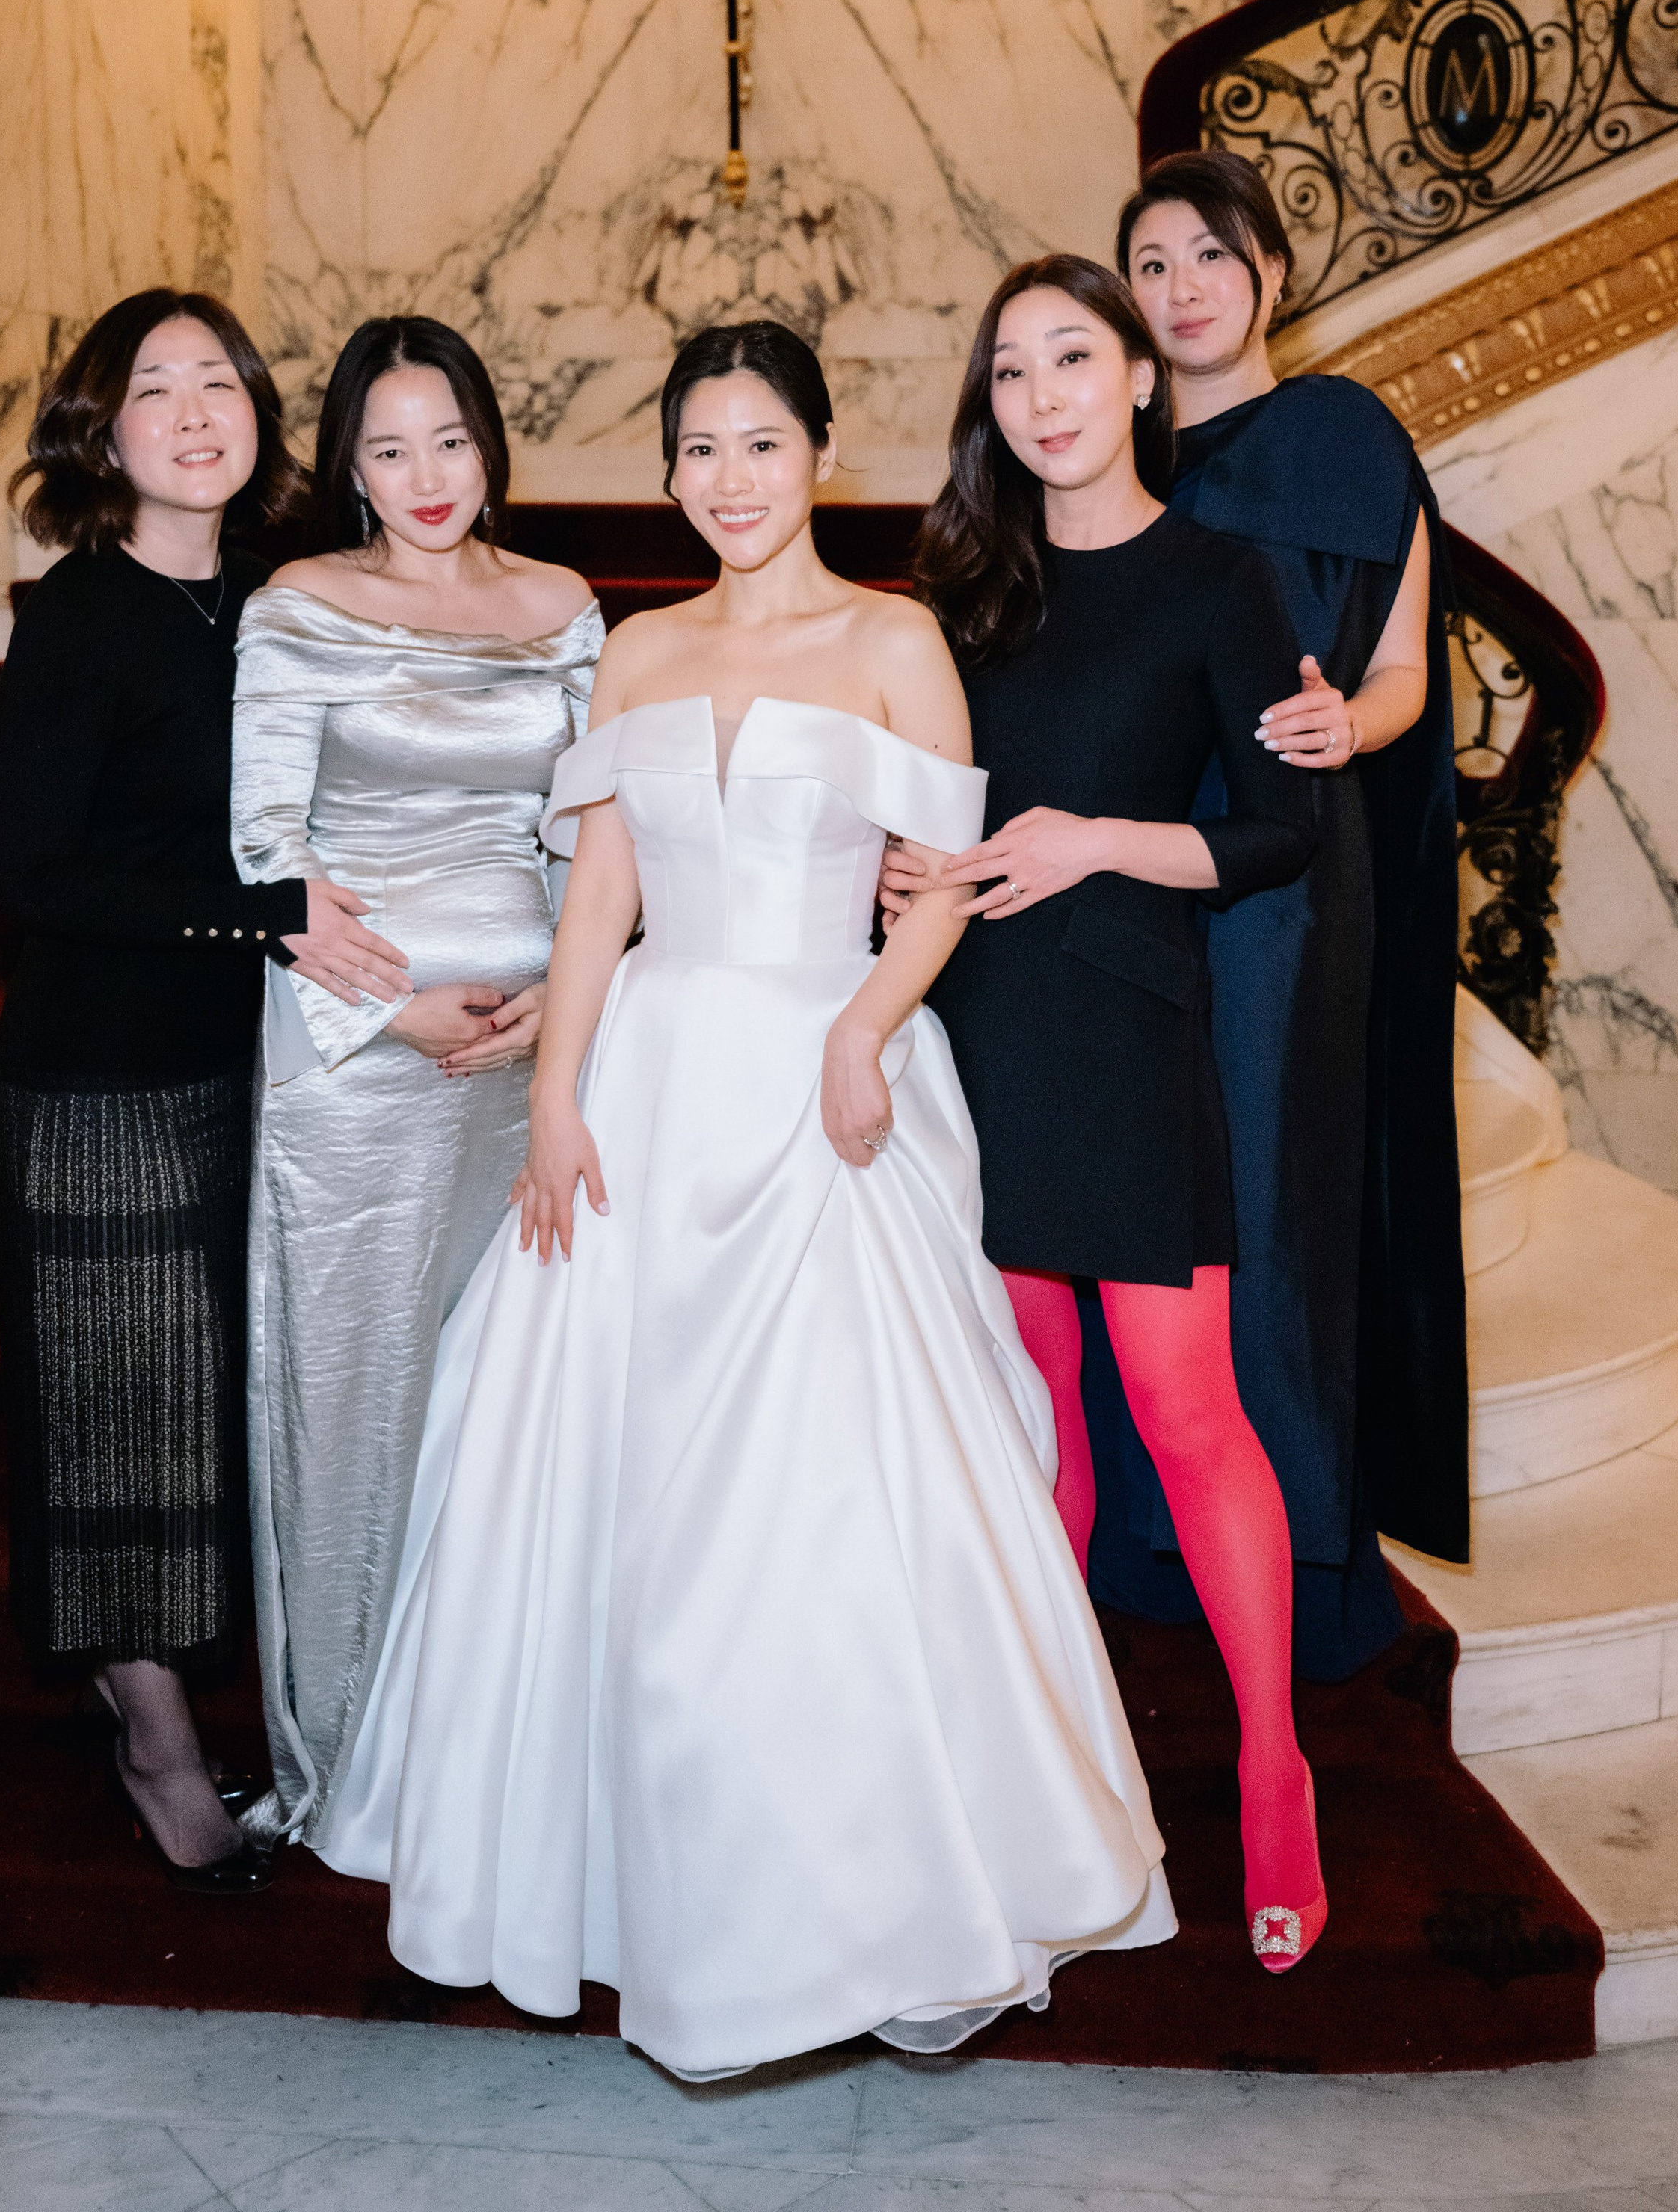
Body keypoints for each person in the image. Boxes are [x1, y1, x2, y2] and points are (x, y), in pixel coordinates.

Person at [313, 318, 1175, 2076]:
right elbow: (598, 900)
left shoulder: (893, 638)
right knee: (606, 1490)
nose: (728, 479)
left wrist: (863, 1027)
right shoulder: (637, 649)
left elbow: (940, 885)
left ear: (818, 456)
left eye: (759, 445)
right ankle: (637, 1896)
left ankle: (855, 1905)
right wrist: (554, 1096)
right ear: (669, 470)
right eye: (697, 450)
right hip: (649, 1082)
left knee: (823, 1498)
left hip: (819, 1086)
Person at [893, 252, 1329, 1969]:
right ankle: (1053, 1778)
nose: (1041, 396)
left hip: (1130, 1034)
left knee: (1184, 1409)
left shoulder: (1220, 578)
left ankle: (1272, 1765)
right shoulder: (959, 593)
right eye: (1009, 371)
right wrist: (899, 870)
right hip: (977, 1031)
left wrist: (1091, 842)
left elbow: (1282, 832)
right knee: (1031, 1418)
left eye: (1071, 357)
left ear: (1139, 379)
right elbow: (915, 805)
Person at [0, 289, 402, 1891]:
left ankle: (148, 1695)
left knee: (202, 1414)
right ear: (103, 433)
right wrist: (263, 916)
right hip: (99, 1081)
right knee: (123, 1431)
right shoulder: (80, 613)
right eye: (154, 389)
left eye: (217, 381)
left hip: (245, 1064)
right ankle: (160, 1754)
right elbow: (33, 874)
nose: (193, 413)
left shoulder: (276, 599)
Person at [229, 316, 600, 1847]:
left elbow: (589, 837)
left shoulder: (562, 606)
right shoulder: (299, 606)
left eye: (448, 439)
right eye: (388, 450)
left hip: (526, 1061)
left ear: (489, 444)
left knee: (502, 1410)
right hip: (356, 1072)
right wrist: (396, 1016)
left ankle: (479, 1759)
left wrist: (565, 1004)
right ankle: (336, 1756)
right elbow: (266, 849)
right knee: (349, 1408)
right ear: (351, 469)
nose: (425, 475)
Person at [1110, 149, 1465, 1680]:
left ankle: (1297, 1551)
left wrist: (1351, 726)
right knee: (1138, 1209)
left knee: (1270, 1200)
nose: (1183, 287)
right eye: (1151, 264)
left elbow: (1403, 668)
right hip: (1124, 869)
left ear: (1271, 268)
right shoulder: (1099, 441)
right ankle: (1144, 1543)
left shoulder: (1345, 435)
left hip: (1287, 890)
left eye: (1210, 253)